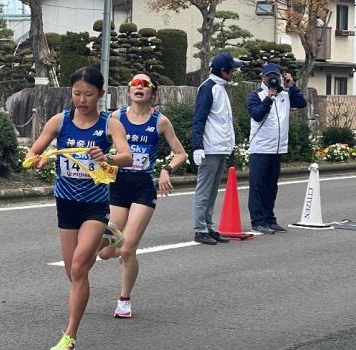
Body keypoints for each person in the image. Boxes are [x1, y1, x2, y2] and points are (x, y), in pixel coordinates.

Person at [25, 67, 132, 350]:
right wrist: (37, 160)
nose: (82, 100)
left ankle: (69, 337)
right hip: (65, 203)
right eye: (76, 93)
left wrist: (106, 156)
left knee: (78, 270)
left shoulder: (109, 125)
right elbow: (33, 153)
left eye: (88, 94)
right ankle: (110, 236)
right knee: (71, 272)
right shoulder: (60, 122)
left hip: (94, 205)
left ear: (99, 94)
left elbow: (127, 156)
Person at [98, 72, 187, 318]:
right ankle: (123, 254)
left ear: (153, 94)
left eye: (144, 85)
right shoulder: (116, 118)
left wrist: (166, 170)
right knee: (105, 251)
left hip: (142, 188)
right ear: (128, 92)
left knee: (127, 249)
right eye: (134, 84)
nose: (139, 87)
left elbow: (180, 153)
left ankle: (124, 300)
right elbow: (102, 146)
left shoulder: (160, 122)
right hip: (117, 186)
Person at [246, 63, 307, 234]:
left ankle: (269, 219)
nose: (272, 79)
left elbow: (301, 103)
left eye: (275, 75)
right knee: (258, 186)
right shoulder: (256, 95)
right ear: (263, 78)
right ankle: (258, 221)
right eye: (269, 76)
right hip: (260, 148)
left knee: (271, 187)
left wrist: (291, 85)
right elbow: (257, 115)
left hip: (278, 148)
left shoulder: (285, 96)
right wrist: (268, 98)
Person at [191, 52, 241, 245]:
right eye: (232, 69)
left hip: (219, 147)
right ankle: (200, 229)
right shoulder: (208, 88)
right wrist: (197, 146)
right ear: (224, 71)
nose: (234, 72)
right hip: (210, 147)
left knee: (212, 190)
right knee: (204, 190)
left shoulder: (220, 88)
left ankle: (208, 226)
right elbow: (199, 119)